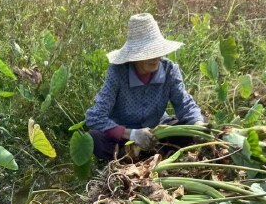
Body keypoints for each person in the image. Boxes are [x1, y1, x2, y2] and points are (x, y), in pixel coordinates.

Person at [86, 12, 205, 161]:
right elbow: (94, 117)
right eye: (147, 53)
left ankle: (152, 154)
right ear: (134, 56)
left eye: (157, 51)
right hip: (123, 136)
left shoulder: (169, 70)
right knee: (95, 138)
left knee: (196, 124)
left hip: (156, 133)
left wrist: (198, 125)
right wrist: (132, 134)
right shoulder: (118, 73)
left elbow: (185, 105)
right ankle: (126, 155)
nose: (154, 58)